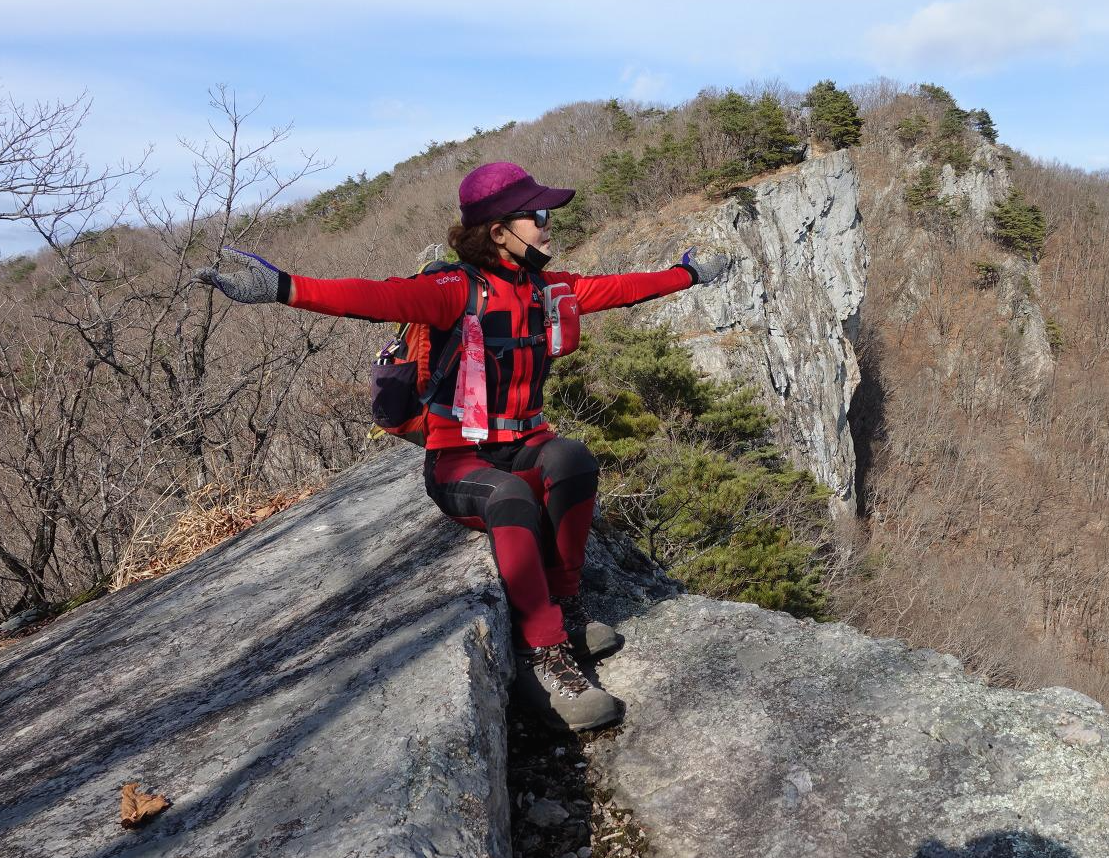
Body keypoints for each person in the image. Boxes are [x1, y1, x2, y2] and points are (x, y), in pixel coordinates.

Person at [193, 162, 729, 731]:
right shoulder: (454, 291)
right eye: (537, 215)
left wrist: (688, 274)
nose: (548, 225)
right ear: (499, 231)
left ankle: (566, 609)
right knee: (509, 498)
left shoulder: (549, 290)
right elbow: (373, 297)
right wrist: (282, 288)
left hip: (526, 440)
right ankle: (541, 653)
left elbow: (625, 288)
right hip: (458, 459)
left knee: (572, 460)